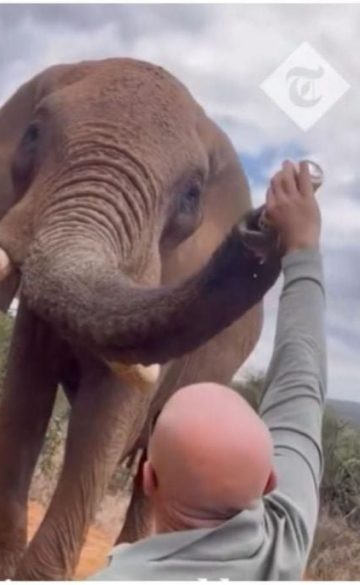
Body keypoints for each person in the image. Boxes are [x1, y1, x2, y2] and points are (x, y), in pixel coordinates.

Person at [92, 161, 326, 580]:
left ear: (149, 479)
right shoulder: (283, 545)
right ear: (270, 482)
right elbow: (300, 384)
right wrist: (304, 248)